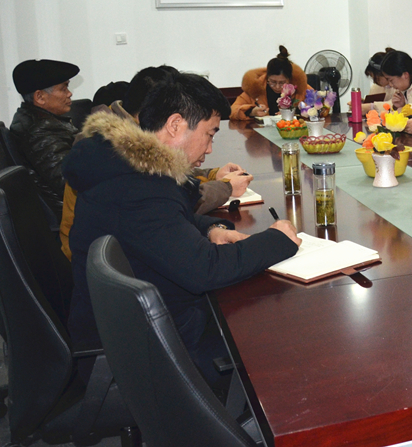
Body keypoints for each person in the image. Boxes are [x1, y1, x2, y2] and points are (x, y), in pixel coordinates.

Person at [65, 73, 300, 385]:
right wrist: (278, 239)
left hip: (136, 325)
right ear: (175, 125)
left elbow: (169, 221)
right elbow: (205, 270)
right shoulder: (139, 188)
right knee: (283, 339)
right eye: (210, 134)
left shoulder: (123, 165)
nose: (211, 149)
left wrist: (212, 229)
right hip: (149, 351)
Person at [58, 66, 252, 259]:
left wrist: (211, 175)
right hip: (96, 259)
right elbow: (171, 203)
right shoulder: (114, 153)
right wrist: (225, 187)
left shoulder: (124, 138)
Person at [9, 58, 81, 219]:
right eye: (63, 88)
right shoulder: (40, 132)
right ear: (40, 97)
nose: (69, 93)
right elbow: (70, 182)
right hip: (74, 215)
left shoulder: (36, 121)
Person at [230, 45, 312, 119]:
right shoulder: (255, 88)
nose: (277, 87)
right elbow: (232, 110)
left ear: (289, 79)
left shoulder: (301, 88)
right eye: (273, 82)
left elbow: (318, 106)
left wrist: (294, 112)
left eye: (282, 83)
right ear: (267, 77)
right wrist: (251, 111)